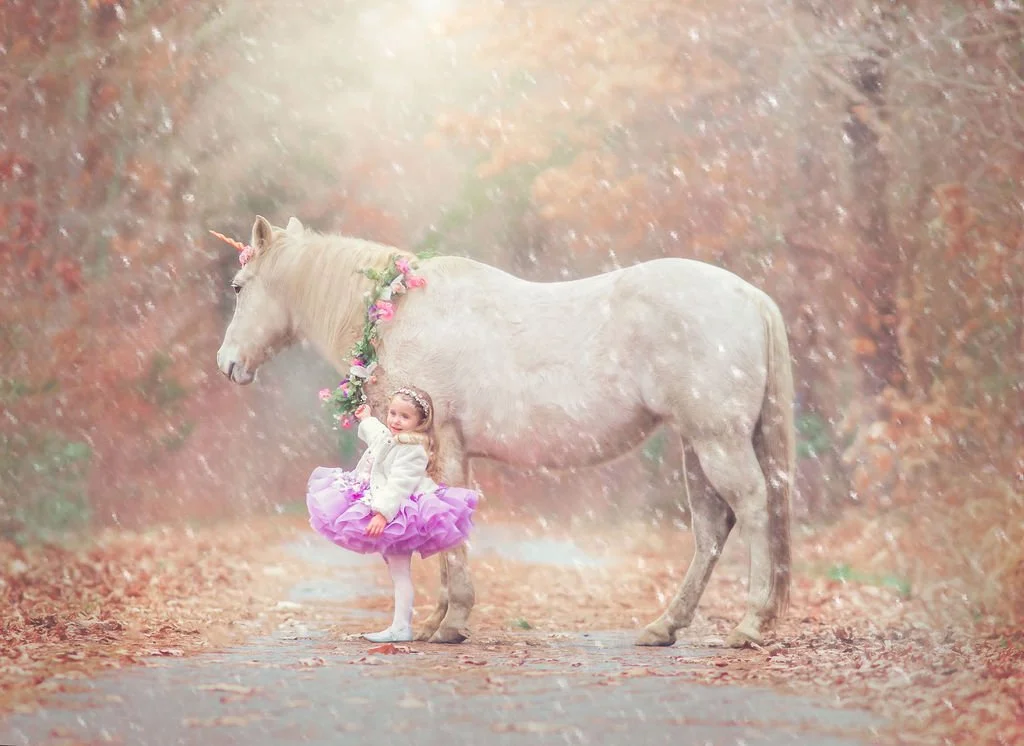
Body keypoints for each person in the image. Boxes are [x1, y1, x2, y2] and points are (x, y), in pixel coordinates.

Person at [306, 386, 478, 643]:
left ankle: (401, 627)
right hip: (392, 508)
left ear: (420, 422)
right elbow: (378, 434)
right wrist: (366, 419)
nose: (396, 420)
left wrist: (382, 515)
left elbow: (399, 485)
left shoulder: (413, 449)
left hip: (400, 513)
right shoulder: (393, 437)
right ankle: (400, 624)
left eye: (404, 417)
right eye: (393, 413)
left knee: (400, 573)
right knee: (396, 571)